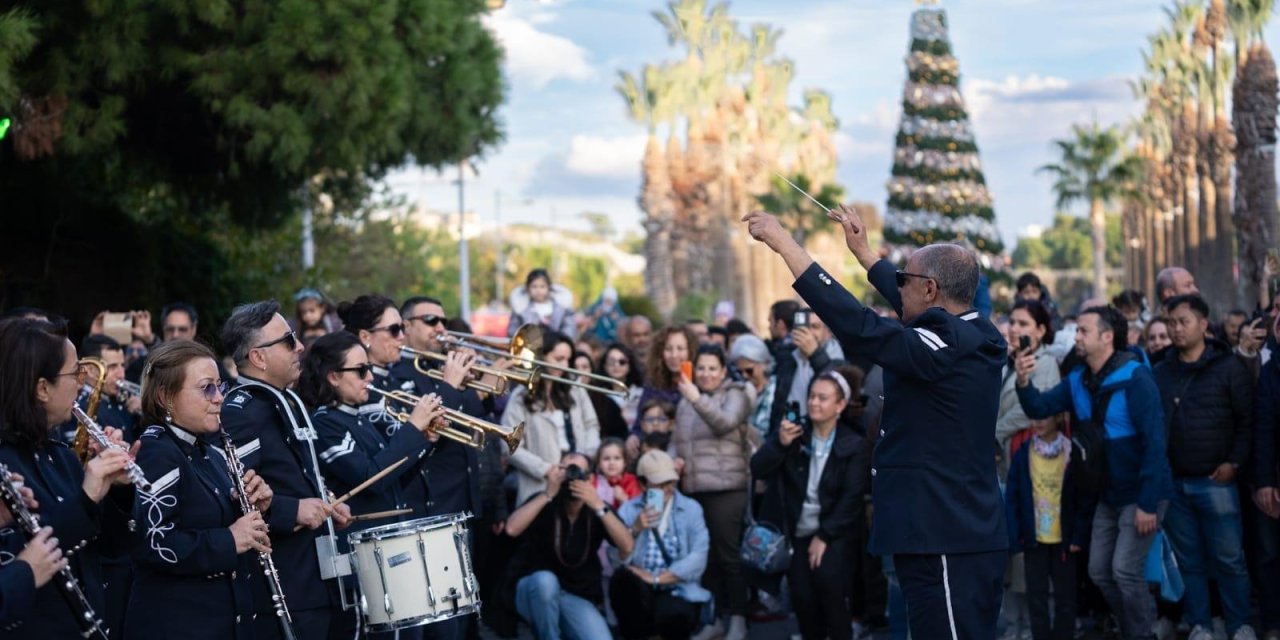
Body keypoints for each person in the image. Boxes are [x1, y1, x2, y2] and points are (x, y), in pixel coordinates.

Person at [744, 206, 1009, 639]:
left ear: (930, 289)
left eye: (905, 279)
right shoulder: (974, 330)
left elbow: (860, 326)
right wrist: (864, 253)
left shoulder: (944, 345)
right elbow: (911, 301)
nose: (897, 284)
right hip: (948, 530)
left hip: (944, 535)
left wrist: (785, 245)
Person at [1014, 305, 1173, 640]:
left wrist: (1147, 504)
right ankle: (1134, 625)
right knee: (1100, 571)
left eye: (1083, 331)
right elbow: (1039, 408)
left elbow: (1155, 445)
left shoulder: (1135, 379)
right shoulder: (1077, 380)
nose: (1077, 337)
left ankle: (1142, 633)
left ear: (1107, 336)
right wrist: (1024, 381)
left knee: (1124, 571)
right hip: (1106, 495)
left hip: (1140, 496)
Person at [219, 301, 352, 639]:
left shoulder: (283, 399)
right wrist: (294, 510)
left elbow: (295, 477)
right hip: (287, 584)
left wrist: (326, 500)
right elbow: (236, 494)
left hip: (320, 578)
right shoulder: (241, 411)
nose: (300, 346)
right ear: (258, 357)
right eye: (288, 340)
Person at [125, 340, 270, 640]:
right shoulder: (157, 451)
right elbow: (154, 543)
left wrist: (257, 505)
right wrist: (230, 539)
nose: (219, 398)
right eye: (206, 388)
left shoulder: (208, 452)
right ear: (166, 396)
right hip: (177, 626)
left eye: (220, 386)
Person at [0, 317, 133, 638]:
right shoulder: (5, 461)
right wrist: (86, 496)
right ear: (42, 388)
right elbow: (28, 555)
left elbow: (114, 549)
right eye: (75, 371)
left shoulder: (60, 455)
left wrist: (115, 488)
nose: (83, 380)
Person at [1153, 295, 1256, 640]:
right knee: (1189, 562)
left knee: (1229, 560)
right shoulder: (1161, 371)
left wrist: (1235, 463)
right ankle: (1200, 624)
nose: (1175, 329)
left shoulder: (1228, 368)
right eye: (1171, 323)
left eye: (1183, 321)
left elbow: (1247, 422)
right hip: (1176, 484)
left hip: (1218, 481)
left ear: (1203, 324)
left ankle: (1239, 624)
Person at [750, 371, 868, 640]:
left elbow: (852, 497)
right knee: (802, 597)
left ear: (840, 406)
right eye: (812, 396)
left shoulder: (853, 443)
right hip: (796, 532)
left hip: (834, 532)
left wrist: (824, 535)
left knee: (831, 590)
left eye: (823, 398)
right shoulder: (795, 434)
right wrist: (779, 444)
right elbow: (758, 468)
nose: (814, 403)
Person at [505, 452, 634, 640]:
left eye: (577, 471)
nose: (571, 476)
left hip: (574, 596)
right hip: (534, 590)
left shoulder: (598, 508)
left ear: (590, 478)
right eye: (566, 469)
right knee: (545, 581)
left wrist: (598, 505)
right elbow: (511, 529)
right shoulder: (545, 500)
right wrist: (548, 493)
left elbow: (628, 546)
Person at [670, 344, 752, 640]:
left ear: (722, 370)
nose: (705, 374)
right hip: (694, 490)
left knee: (729, 558)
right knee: (707, 560)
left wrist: (694, 397)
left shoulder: (736, 394)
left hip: (727, 489)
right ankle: (714, 618)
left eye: (712, 368)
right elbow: (678, 438)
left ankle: (740, 619)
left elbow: (724, 423)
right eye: (701, 368)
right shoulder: (686, 400)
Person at [1004, 413, 1096, 640]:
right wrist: (1016, 538)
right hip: (1034, 539)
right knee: (1037, 598)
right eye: (1035, 416)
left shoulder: (1072, 452)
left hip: (1064, 540)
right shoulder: (1024, 453)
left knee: (1066, 598)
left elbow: (1084, 497)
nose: (1039, 421)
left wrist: (1078, 535)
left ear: (1058, 418)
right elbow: (1013, 497)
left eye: (1045, 416)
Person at [612, 450, 712, 640]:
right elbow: (616, 559)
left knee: (675, 613)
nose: (667, 489)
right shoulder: (628, 510)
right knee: (622, 582)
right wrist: (634, 530)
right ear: (642, 484)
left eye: (670, 482)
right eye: (659, 483)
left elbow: (699, 557)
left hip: (676, 586)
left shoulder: (690, 508)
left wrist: (657, 579)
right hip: (639, 587)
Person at [503, 330, 601, 505]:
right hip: (539, 485)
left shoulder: (575, 389)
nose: (564, 365)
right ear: (542, 357)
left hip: (578, 479)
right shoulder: (521, 396)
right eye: (558, 359)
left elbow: (592, 425)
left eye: (567, 360)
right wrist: (545, 469)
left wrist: (585, 457)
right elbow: (509, 444)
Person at [996, 300, 1061, 480]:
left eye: (1023, 324)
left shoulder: (1046, 363)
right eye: (1012, 322)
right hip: (1002, 459)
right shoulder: (1005, 360)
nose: (1014, 329)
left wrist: (995, 433)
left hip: (1029, 459)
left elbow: (1029, 411)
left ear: (1040, 331)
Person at [1252, 320, 1280, 640]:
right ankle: (1272, 623)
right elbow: (1263, 431)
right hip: (1273, 478)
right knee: (1271, 554)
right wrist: (1264, 483)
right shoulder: (1271, 373)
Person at [633, 326, 696, 433]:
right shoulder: (653, 383)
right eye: (668, 349)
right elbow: (640, 419)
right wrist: (634, 436)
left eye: (680, 349)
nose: (674, 355)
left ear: (690, 351)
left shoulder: (700, 381)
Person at [589, 343, 645, 442]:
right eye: (611, 361)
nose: (616, 365)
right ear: (604, 365)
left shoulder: (641, 393)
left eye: (622, 362)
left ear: (630, 364)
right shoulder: (597, 395)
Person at [728, 333, 776, 441]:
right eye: (740, 371)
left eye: (749, 370)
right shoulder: (737, 390)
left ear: (763, 364)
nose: (744, 375)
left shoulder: (776, 390)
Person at [509, 268, 577, 339]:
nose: (538, 290)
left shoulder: (562, 308)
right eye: (534, 286)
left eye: (542, 286)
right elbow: (512, 330)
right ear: (528, 289)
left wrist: (562, 342)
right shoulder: (521, 309)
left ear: (549, 288)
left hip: (558, 345)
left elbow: (569, 328)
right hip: (530, 346)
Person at [627, 398, 677, 464]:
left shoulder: (678, 449)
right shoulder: (636, 449)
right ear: (642, 425)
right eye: (649, 419)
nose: (655, 423)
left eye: (661, 419)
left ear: (671, 424)